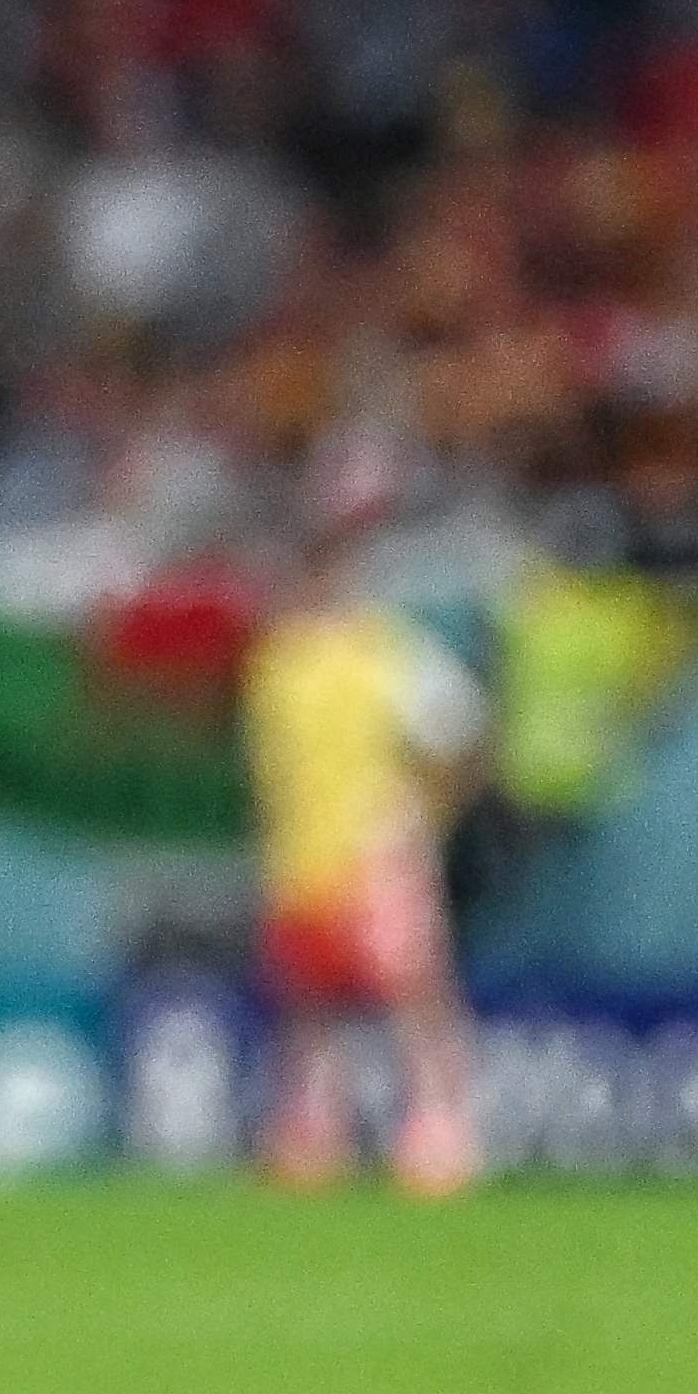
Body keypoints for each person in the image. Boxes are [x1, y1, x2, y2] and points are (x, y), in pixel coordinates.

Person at [244, 466, 486, 1194]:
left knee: (413, 994)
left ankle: (442, 1129)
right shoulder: (276, 663)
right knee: (310, 1002)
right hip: (301, 857)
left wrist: (423, 815)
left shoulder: (386, 653)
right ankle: (315, 1132)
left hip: (377, 855)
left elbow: (463, 736)